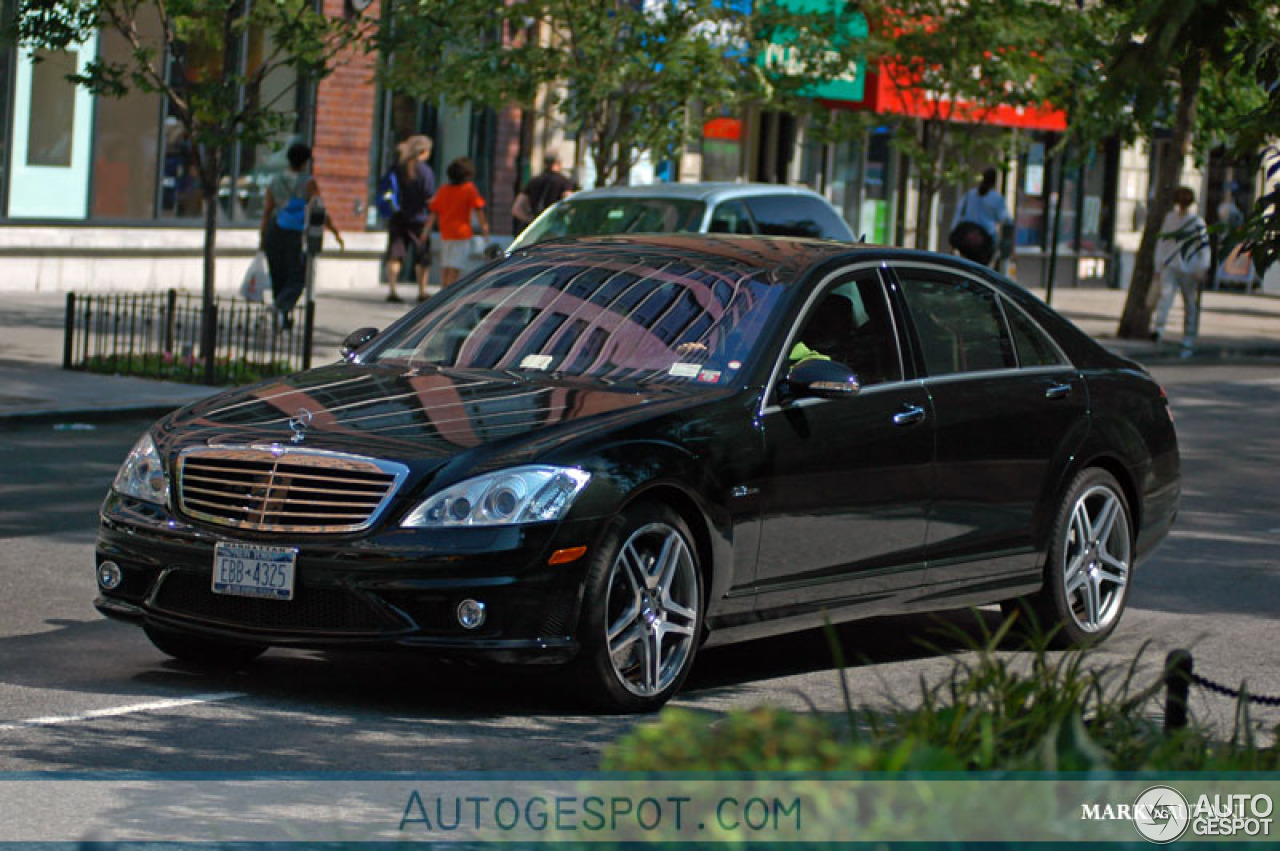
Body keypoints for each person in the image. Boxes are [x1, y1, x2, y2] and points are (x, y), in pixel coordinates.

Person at [259, 143, 344, 330]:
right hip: (295, 233)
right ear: (305, 161)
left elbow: (267, 211)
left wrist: (262, 237)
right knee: (297, 277)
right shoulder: (308, 182)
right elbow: (318, 209)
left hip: (275, 231)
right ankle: (280, 307)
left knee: (278, 276)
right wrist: (335, 232)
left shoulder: (275, 181)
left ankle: (282, 319)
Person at [1152, 186, 1209, 355]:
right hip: (1171, 265)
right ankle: (1159, 329)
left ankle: (1189, 337)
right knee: (1165, 297)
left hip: (1189, 268)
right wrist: (1158, 265)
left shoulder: (1197, 222)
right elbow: (1162, 243)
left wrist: (1201, 267)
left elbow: (1204, 248)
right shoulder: (1170, 219)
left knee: (1190, 303)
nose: (1181, 206)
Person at [384, 135, 436, 303]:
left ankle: (392, 289)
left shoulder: (397, 167)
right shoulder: (426, 171)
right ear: (423, 151)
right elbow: (429, 196)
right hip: (419, 219)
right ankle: (422, 291)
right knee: (421, 256)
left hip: (398, 216)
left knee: (395, 254)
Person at [424, 157, 490, 289]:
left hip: (446, 233)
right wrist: (485, 230)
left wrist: (426, 231)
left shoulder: (443, 190)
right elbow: (478, 210)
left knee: (446, 264)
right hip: (461, 233)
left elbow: (434, 212)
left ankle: (444, 287)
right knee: (456, 265)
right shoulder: (469, 189)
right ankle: (450, 290)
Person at [950, 167, 1013, 267]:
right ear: (994, 182)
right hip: (984, 243)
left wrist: (953, 235)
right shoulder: (996, 199)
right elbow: (1005, 219)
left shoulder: (969, 195)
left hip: (966, 240)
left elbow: (958, 215)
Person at [512, 153, 574, 229]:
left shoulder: (533, 182)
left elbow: (516, 209)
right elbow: (568, 203)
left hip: (536, 225)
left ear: (544, 163)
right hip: (554, 224)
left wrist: (530, 220)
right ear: (559, 163)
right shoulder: (564, 182)